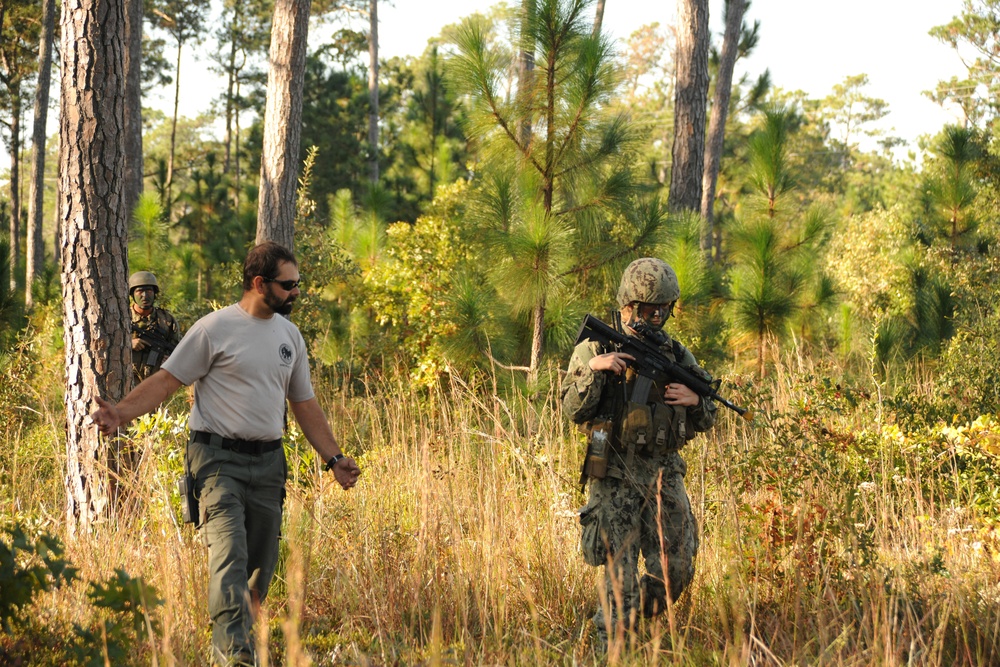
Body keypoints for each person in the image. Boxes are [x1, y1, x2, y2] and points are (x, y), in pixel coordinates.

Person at [91, 242, 362, 666]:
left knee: (258, 572)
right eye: (288, 284)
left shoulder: (290, 337)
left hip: (269, 465)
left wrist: (333, 459)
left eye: (297, 284)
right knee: (229, 557)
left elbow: (304, 404)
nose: (296, 292)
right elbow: (167, 381)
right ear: (259, 283)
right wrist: (120, 413)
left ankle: (238, 637)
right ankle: (234, 657)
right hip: (216, 462)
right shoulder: (213, 329)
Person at [561, 257, 717, 649]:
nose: (657, 316)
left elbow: (709, 412)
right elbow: (572, 410)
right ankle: (612, 644)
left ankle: (629, 619)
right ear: (628, 306)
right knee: (620, 580)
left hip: (664, 475)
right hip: (614, 475)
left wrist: (695, 401)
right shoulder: (593, 348)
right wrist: (595, 368)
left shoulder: (677, 356)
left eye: (664, 308)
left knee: (676, 570)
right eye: (649, 309)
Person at [128, 271, 181, 383]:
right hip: (126, 379)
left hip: (155, 383)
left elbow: (176, 348)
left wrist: (170, 360)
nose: (145, 296)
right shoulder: (122, 318)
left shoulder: (167, 320)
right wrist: (128, 343)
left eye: (149, 290)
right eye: (139, 291)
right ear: (132, 294)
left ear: (154, 293)